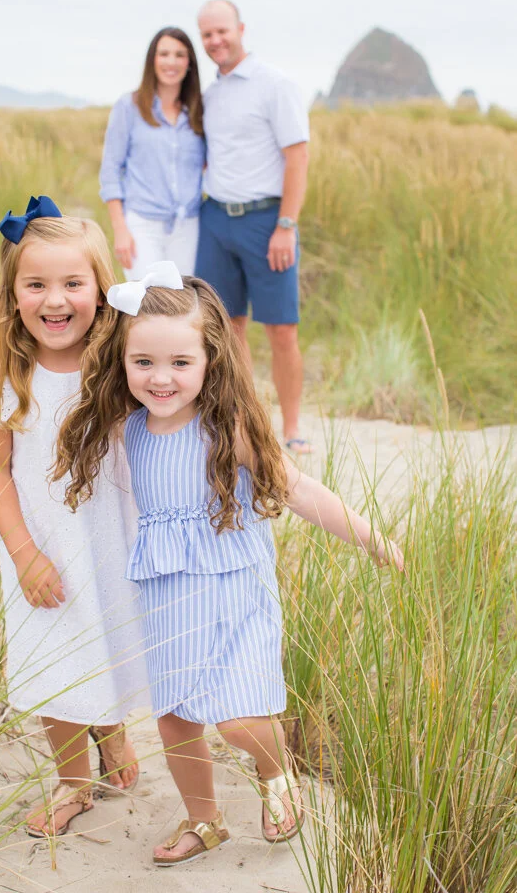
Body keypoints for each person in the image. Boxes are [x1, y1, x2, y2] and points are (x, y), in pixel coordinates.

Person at [54, 262, 404, 866]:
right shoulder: (129, 428)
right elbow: (67, 372)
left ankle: (276, 776)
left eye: (180, 362)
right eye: (143, 362)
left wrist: (369, 537)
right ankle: (204, 819)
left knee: (238, 720)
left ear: (211, 359)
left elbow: (297, 488)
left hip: (234, 592)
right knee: (175, 721)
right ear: (122, 361)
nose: (161, 377)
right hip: (168, 599)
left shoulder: (228, 428)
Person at [0, 196, 149, 838]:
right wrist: (24, 554)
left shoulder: (122, 363)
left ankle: (111, 727)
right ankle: (73, 782)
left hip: (110, 535)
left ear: (102, 289)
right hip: (40, 542)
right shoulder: (1, 371)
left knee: (109, 641)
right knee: (53, 655)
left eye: (74, 283)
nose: (55, 300)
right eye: (36, 284)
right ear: (12, 294)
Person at [196, 0, 312, 453]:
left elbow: (297, 156)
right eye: (207, 34)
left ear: (241, 29)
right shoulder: (210, 95)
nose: (215, 41)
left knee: (281, 328)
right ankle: (246, 422)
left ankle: (292, 429)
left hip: (267, 221)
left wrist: (286, 225)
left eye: (222, 31)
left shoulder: (275, 84)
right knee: (227, 327)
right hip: (215, 219)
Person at [100, 27, 205, 279]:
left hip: (188, 226)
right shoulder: (129, 107)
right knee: (148, 298)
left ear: (189, 62)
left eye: (180, 55)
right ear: (152, 60)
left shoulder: (198, 110)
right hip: (142, 225)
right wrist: (120, 230)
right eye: (164, 54)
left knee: (181, 299)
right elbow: (110, 170)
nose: (171, 62)